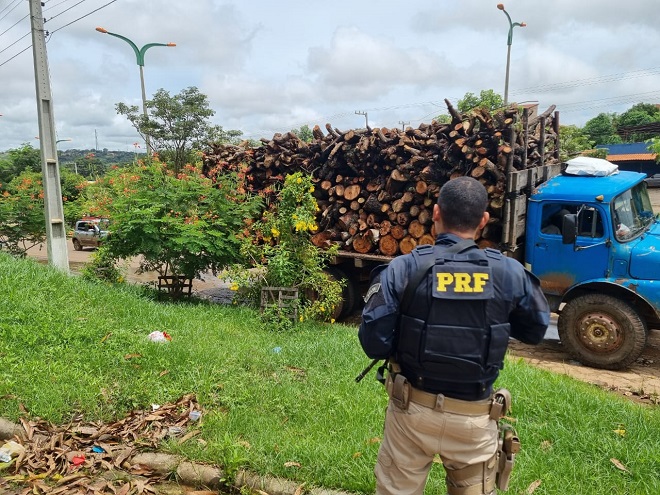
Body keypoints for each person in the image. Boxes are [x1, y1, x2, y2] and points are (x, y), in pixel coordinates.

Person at [359, 176, 550, 495]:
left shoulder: (403, 268)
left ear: (435, 213)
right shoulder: (509, 273)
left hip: (411, 413)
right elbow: (535, 330)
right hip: (474, 420)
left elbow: (373, 342)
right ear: (483, 221)